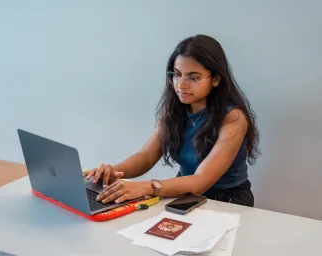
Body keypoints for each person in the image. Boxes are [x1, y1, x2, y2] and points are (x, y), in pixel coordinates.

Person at [83, 34, 260, 207]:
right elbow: (145, 156)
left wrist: (147, 186)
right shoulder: (173, 110)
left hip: (227, 200)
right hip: (183, 193)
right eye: (176, 74)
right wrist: (112, 172)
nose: (181, 85)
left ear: (215, 79)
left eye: (193, 77)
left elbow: (201, 181)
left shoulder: (233, 118)